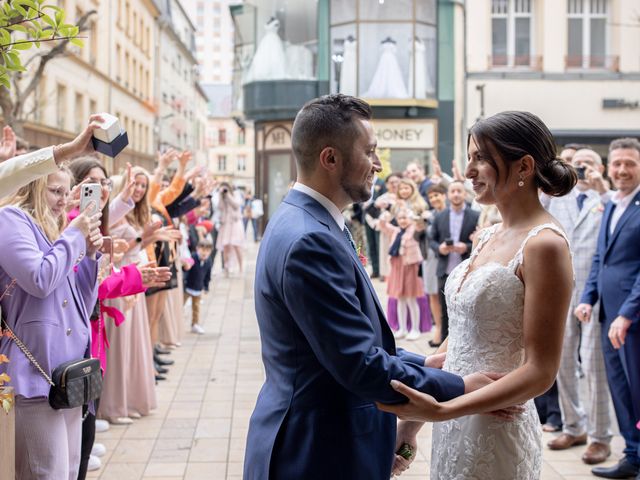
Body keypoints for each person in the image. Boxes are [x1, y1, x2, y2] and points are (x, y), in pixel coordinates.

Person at [244, 94, 498, 480]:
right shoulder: (310, 239)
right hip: (318, 451)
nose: (378, 165)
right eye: (371, 151)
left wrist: (423, 363)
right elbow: (358, 363)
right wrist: (461, 388)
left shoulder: (306, 220)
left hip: (319, 438)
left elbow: (345, 341)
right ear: (330, 158)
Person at [378, 110, 576, 480]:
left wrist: (441, 411)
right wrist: (413, 425)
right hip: (454, 418)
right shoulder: (488, 234)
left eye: (480, 158)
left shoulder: (544, 245)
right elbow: (466, 333)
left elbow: (541, 370)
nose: (468, 172)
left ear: (524, 166)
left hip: (497, 426)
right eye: (470, 158)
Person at [0, 166, 103, 479]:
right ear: (32, 187)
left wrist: (89, 256)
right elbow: (39, 279)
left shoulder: (53, 230)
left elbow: (81, 306)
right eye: (55, 191)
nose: (63, 201)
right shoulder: (10, 219)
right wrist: (73, 236)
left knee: (69, 470)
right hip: (32, 373)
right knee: (44, 472)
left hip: (66, 374)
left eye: (65, 191)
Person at [576, 138, 640, 480]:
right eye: (617, 163)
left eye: (629, 163)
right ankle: (632, 454)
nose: (622, 170)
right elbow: (601, 258)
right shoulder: (612, 204)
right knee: (620, 389)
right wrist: (587, 298)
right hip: (607, 316)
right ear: (608, 167)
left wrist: (628, 313)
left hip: (633, 317)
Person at [546, 148, 613, 465]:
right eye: (577, 164)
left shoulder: (609, 198)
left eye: (589, 163)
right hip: (560, 288)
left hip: (594, 291)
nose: (583, 168)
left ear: (600, 167)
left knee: (592, 362)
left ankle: (601, 437)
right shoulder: (559, 197)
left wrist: (602, 187)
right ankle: (574, 426)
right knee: (560, 360)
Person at [0, 116, 105, 197]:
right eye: (56, 191)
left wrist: (69, 150)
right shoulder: (13, 215)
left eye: (66, 194)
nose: (63, 200)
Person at [428, 180, 480, 341]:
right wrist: (440, 248)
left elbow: (483, 240)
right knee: (445, 312)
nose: (456, 194)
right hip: (445, 269)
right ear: (448, 195)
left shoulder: (475, 216)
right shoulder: (440, 216)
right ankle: (443, 345)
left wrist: (467, 246)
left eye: (459, 191)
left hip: (468, 271)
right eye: (453, 191)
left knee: (467, 311)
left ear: (465, 194)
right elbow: (432, 240)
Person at [378, 208, 424, 340]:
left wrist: (416, 217)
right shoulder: (396, 231)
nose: (402, 221)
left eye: (405, 218)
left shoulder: (414, 229)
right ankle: (402, 328)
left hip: (410, 266)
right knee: (400, 299)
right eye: (400, 218)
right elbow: (382, 225)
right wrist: (385, 214)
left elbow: (421, 226)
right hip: (397, 266)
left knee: (411, 298)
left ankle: (415, 329)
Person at [184, 239, 213, 335]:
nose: (204, 253)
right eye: (202, 250)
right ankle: (176, 322)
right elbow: (186, 269)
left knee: (196, 308)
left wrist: (206, 287)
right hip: (187, 287)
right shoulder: (193, 258)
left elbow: (208, 275)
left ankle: (195, 324)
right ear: (197, 249)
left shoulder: (208, 261)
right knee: (181, 304)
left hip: (198, 288)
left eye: (207, 251)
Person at [215, 182, 245, 276]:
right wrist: (221, 195)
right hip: (226, 224)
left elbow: (236, 205)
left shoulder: (236, 194)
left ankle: (241, 268)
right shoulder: (222, 196)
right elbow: (220, 207)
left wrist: (228, 195)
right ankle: (226, 268)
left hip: (235, 223)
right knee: (225, 246)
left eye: (226, 188)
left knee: (237, 245)